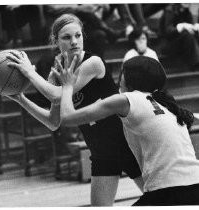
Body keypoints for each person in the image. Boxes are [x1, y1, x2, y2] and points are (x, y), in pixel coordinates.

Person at [6, 13, 142, 206]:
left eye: (78, 35)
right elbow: (54, 122)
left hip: (129, 143)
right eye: (67, 37)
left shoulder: (93, 63)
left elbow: (57, 94)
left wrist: (29, 72)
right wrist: (21, 98)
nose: (74, 41)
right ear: (55, 41)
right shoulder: (58, 68)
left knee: (161, 200)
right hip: (101, 151)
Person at [56, 55, 199, 206]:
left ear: (129, 78)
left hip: (169, 191)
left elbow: (67, 117)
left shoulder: (126, 99)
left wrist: (67, 85)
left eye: (122, 72)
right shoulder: (166, 105)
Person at [159, 3, 199, 71]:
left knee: (193, 34)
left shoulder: (187, 12)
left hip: (182, 43)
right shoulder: (170, 10)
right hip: (168, 44)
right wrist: (182, 26)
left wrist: (195, 27)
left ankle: (195, 61)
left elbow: (191, 29)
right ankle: (196, 63)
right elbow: (168, 31)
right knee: (187, 34)